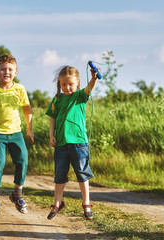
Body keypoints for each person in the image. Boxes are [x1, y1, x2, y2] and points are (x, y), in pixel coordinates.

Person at [0, 53, 34, 217]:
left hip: (15, 132)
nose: (6, 72)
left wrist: (29, 129)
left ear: (15, 72)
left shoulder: (20, 89)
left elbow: (27, 109)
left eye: (10, 69)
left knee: (23, 159)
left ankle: (17, 193)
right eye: (3, 69)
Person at [45, 65, 99, 220]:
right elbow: (52, 118)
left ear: (77, 84)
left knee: (82, 173)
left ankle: (86, 203)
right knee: (60, 174)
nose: (67, 87)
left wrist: (94, 78)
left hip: (79, 143)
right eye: (64, 84)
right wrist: (51, 136)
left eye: (71, 84)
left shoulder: (80, 97)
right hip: (61, 144)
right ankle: (57, 203)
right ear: (59, 85)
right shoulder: (57, 99)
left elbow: (89, 89)